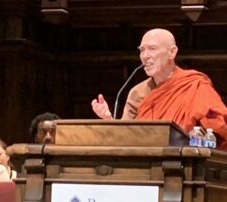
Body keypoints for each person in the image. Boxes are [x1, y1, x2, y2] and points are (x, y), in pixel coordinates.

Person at [91, 28, 227, 150]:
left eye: (152, 49)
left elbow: (219, 131)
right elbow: (126, 136)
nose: (145, 56)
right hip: (145, 167)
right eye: (142, 50)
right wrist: (109, 119)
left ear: (172, 52)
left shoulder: (195, 85)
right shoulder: (137, 92)